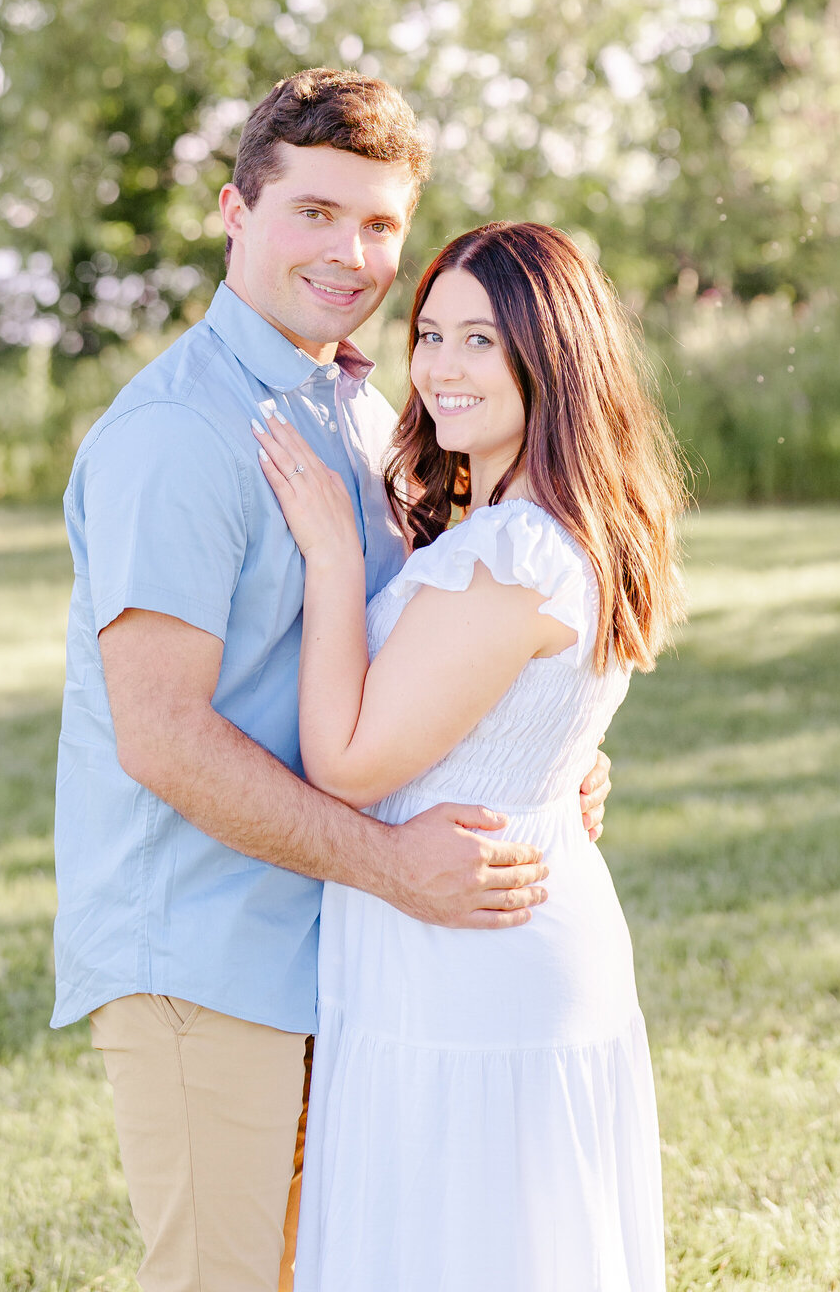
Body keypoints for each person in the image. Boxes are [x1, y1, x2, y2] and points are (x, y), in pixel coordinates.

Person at [50, 71, 613, 1292]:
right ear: (234, 211)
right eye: (313, 212)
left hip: (344, 951)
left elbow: (432, 649)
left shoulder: (362, 415)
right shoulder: (179, 438)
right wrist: (392, 866)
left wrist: (534, 752)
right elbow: (160, 738)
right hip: (207, 953)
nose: (349, 253)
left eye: (377, 225)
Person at [255, 219, 687, 1292]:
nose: (441, 369)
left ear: (550, 355)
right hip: (509, 925)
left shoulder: (510, 549)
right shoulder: (557, 526)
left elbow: (347, 764)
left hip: (467, 960)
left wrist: (328, 559)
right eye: (430, 334)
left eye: (478, 342)